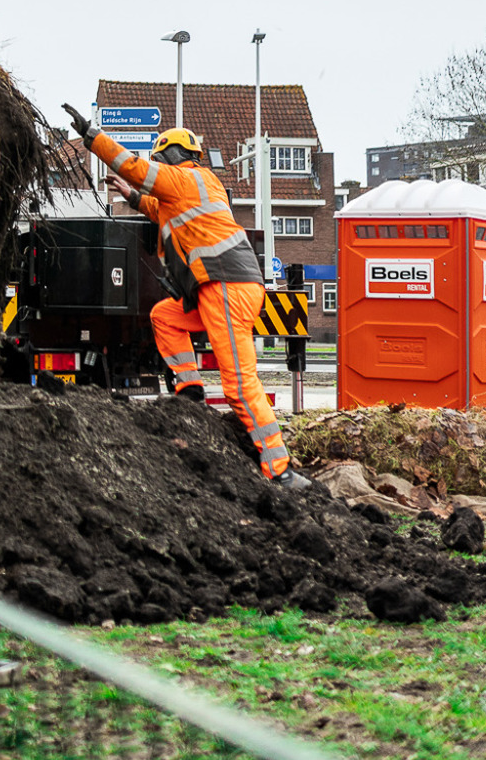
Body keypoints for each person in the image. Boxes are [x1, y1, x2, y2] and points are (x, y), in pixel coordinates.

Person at [66, 106, 308, 491]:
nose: (159, 165)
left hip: (226, 288)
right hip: (224, 289)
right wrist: (131, 196)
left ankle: (279, 468)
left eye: (161, 159)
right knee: (166, 315)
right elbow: (160, 209)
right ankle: (189, 386)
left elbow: (133, 167)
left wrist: (93, 136)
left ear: (171, 157)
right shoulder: (198, 186)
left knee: (240, 384)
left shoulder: (182, 180)